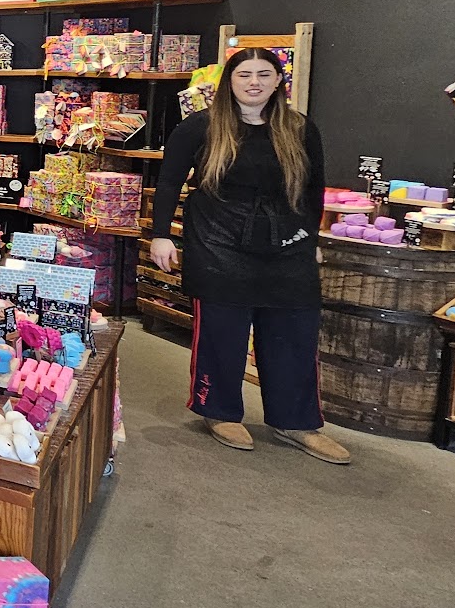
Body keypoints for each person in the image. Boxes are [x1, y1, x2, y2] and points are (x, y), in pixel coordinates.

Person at [148, 47, 345, 464]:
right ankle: (219, 411)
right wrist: (161, 235)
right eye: (244, 75)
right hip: (218, 242)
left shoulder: (300, 129)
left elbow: (314, 189)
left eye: (264, 74)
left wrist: (311, 239)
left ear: (277, 81)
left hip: (287, 243)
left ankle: (295, 421)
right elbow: (168, 183)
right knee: (222, 333)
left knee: (294, 332)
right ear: (229, 82)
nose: (254, 82)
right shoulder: (200, 127)